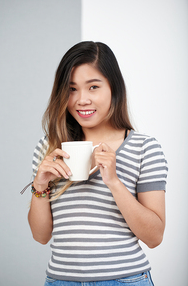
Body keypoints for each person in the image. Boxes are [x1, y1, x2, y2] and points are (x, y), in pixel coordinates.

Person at [28, 41, 168, 286]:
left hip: (126, 280)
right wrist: (40, 185)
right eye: (72, 89)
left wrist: (113, 182)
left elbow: (154, 237)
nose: (82, 100)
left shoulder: (144, 148)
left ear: (113, 88)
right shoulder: (49, 148)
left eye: (93, 87)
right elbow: (41, 236)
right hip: (61, 281)